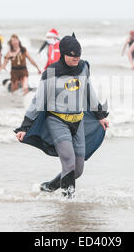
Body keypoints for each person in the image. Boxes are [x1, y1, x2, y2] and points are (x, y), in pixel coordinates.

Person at [14, 33, 109, 198]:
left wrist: (100, 115)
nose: (76, 59)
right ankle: (69, 204)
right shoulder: (51, 73)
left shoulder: (83, 67)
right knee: (69, 163)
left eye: (78, 55)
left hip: (77, 121)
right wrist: (25, 126)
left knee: (78, 170)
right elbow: (38, 101)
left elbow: (89, 92)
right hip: (57, 121)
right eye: (72, 56)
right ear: (63, 53)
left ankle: (49, 186)